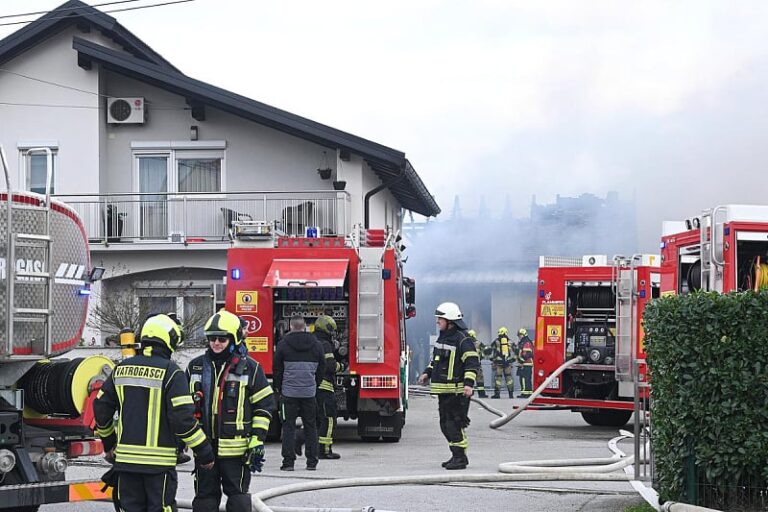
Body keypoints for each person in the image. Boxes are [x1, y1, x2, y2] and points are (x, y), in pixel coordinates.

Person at [94, 314, 214, 512]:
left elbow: (101, 408)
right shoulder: (172, 372)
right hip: (159, 467)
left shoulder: (121, 369)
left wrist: (109, 443)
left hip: (126, 463)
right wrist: (204, 451)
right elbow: (183, 420)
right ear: (169, 342)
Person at [186, 309, 276, 512]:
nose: (216, 343)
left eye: (222, 339)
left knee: (238, 498)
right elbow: (183, 408)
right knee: (204, 498)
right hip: (204, 448)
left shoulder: (250, 368)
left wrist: (257, 438)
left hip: (237, 451)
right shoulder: (195, 367)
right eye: (212, 339)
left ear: (234, 339)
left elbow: (265, 405)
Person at [418, 302, 479, 470]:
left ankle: (460, 458)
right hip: (444, 392)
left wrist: (468, 384)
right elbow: (436, 361)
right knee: (445, 424)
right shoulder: (443, 337)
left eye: (440, 318)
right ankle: (456, 455)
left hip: (457, 392)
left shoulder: (462, 339)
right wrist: (427, 373)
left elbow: (472, 362)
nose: (437, 321)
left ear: (450, 321)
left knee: (454, 425)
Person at [273, 315, 325, 471]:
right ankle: (312, 462)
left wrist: (279, 388)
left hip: (288, 393)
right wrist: (314, 384)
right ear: (305, 327)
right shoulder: (317, 345)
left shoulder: (283, 344)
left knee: (288, 427)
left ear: (290, 326)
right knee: (311, 427)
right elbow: (322, 368)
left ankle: (288, 463)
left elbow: (277, 369)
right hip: (309, 393)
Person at [296, 315, 343, 460]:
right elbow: (330, 366)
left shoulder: (309, 341)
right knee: (329, 418)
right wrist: (341, 366)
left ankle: (299, 438)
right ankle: (324, 450)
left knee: (315, 419)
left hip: (309, 386)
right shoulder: (325, 344)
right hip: (324, 387)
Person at [489, 326, 516, 399]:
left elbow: (490, 350)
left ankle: (497, 394)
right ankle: (511, 394)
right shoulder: (510, 342)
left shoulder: (496, 341)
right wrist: (512, 360)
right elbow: (516, 351)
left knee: (498, 378)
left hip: (499, 363)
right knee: (509, 378)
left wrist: (492, 359)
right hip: (508, 363)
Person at [467, 330, 488, 398]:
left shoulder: (465, 343)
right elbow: (485, 351)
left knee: (469, 379)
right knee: (480, 379)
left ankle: (469, 393)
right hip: (477, 364)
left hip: (468, 365)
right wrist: (481, 357)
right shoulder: (479, 343)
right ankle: (481, 394)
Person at [517, 328, 534, 398]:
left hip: (526, 363)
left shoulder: (526, 342)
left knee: (524, 379)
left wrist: (521, 361)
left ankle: (525, 393)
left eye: (520, 335)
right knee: (527, 379)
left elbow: (527, 354)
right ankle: (528, 393)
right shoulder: (525, 342)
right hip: (526, 363)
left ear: (523, 334)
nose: (519, 336)